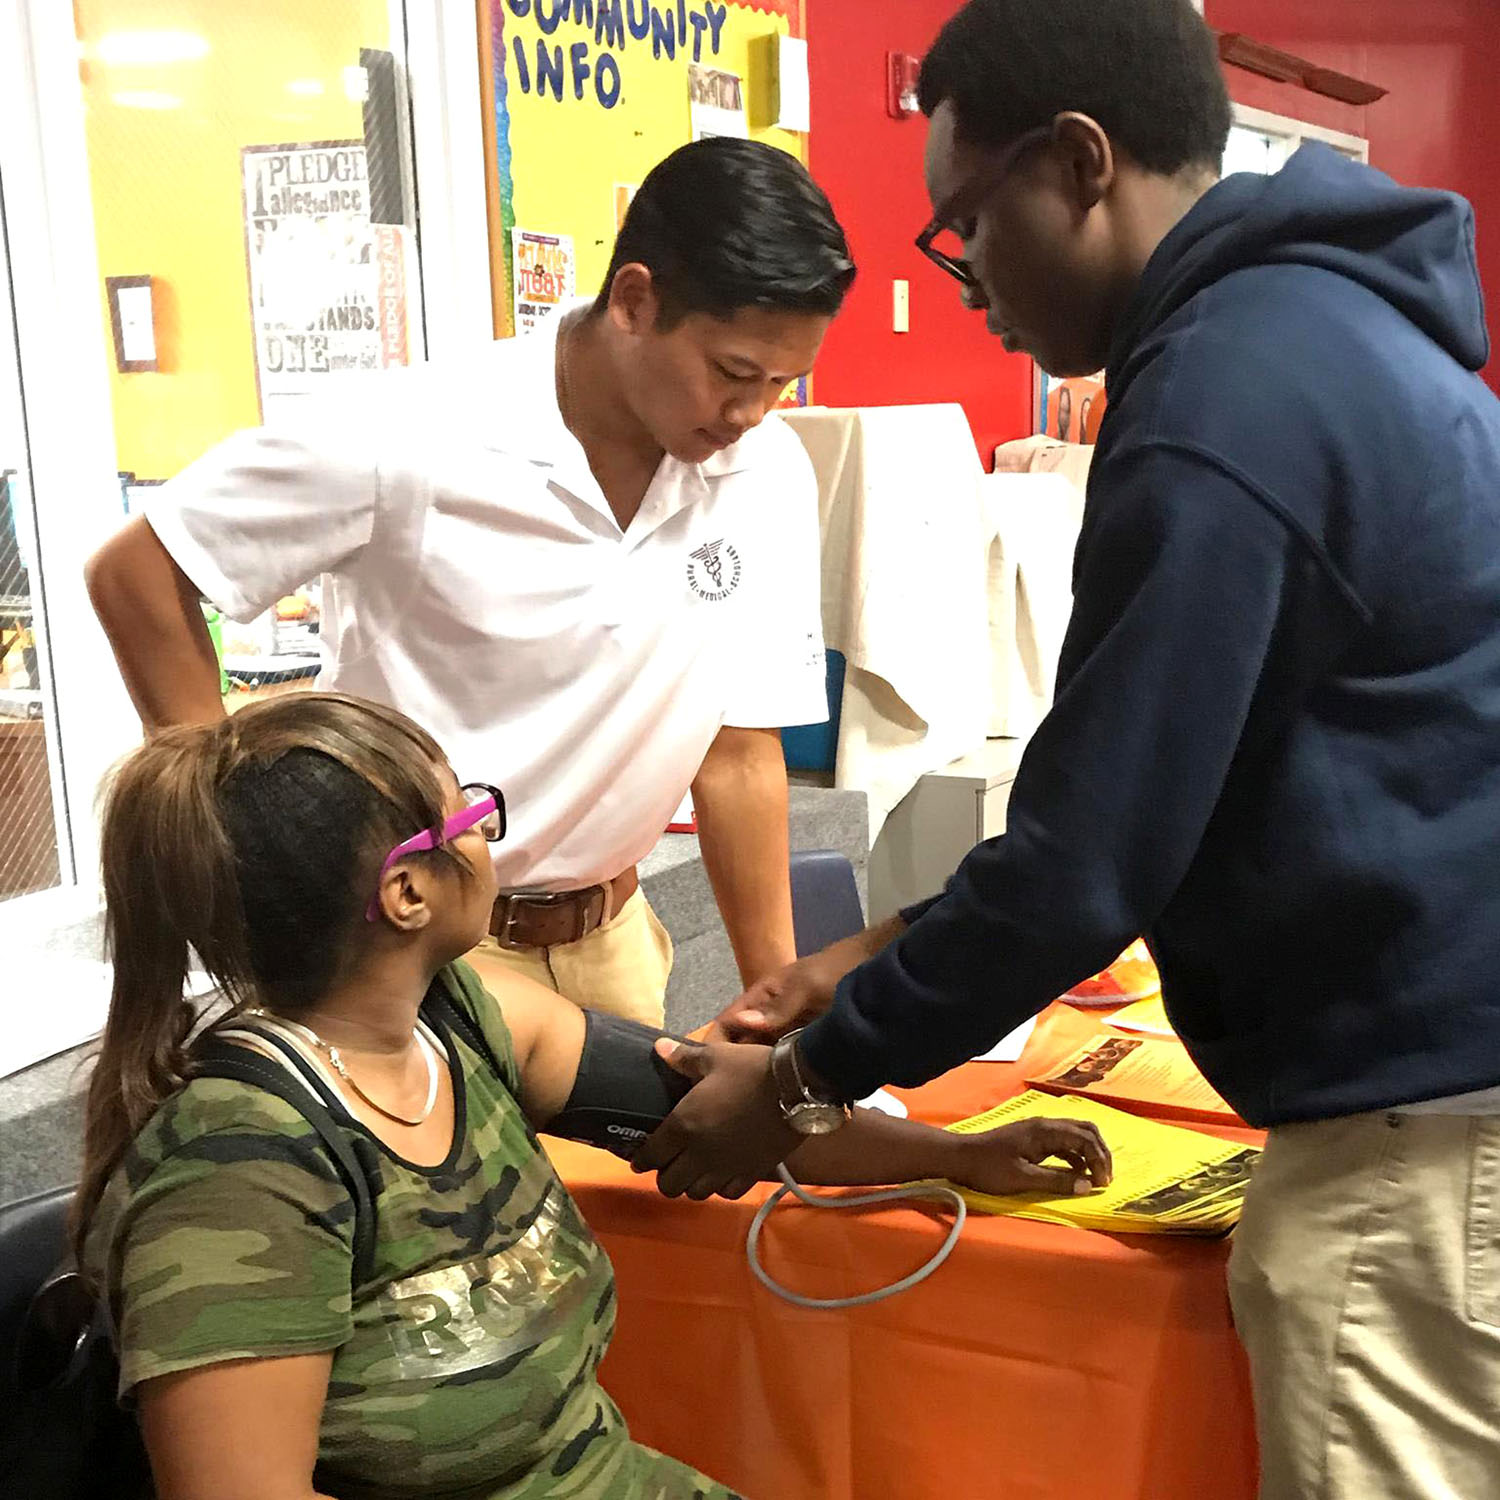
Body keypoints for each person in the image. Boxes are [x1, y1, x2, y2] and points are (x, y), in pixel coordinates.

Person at [632, 2, 1500, 1495]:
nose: (967, 280)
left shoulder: (1225, 401)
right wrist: (869, 955)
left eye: (965, 223)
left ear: (1082, 164)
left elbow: (1089, 862)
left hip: (1416, 1135)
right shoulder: (1331, 330)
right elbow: (1175, 796)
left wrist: (798, 1085)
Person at [74, 690, 1111, 1500]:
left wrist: (957, 1153)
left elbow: (725, 1108)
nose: (491, 833)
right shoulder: (241, 1168)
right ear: (405, 893)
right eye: (471, 814)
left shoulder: (465, 1017)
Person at [85, 137, 854, 1032]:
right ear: (636, 302)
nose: (750, 413)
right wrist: (225, 832)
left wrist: (782, 1013)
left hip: (613, 939)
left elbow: (739, 753)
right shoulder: (412, 435)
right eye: (731, 373)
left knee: (620, 1174)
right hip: (411, 946)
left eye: (781, 382)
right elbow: (139, 569)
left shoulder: (767, 474)